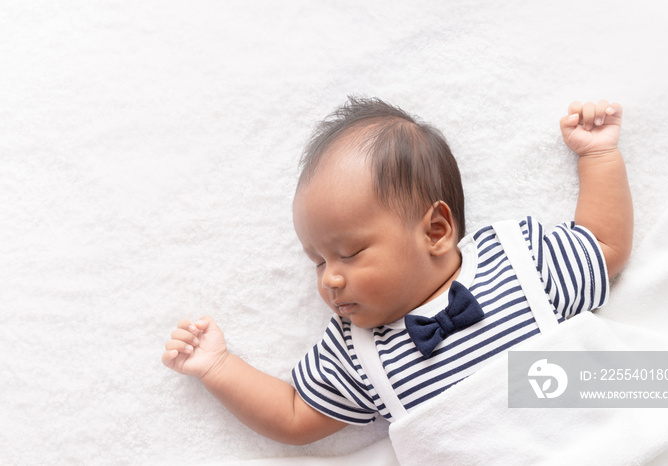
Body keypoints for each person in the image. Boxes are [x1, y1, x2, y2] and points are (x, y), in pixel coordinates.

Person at [161, 97, 633, 445]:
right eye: (319, 262)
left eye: (350, 252)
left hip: (603, 442)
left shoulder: (516, 259)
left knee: (666, 381)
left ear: (435, 232)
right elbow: (294, 416)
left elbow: (604, 246)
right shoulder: (357, 351)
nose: (330, 278)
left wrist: (598, 157)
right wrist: (218, 367)